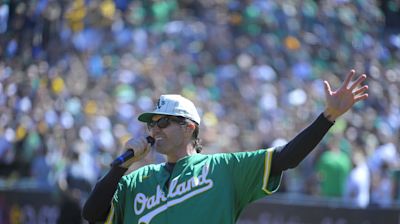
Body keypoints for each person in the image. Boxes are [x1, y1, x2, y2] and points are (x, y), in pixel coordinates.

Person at [82, 70, 368, 224]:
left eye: (164, 122)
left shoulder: (223, 170)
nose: (155, 130)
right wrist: (122, 165)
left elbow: (286, 158)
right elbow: (92, 214)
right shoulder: (134, 180)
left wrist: (327, 117)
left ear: (188, 127)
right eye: (151, 125)